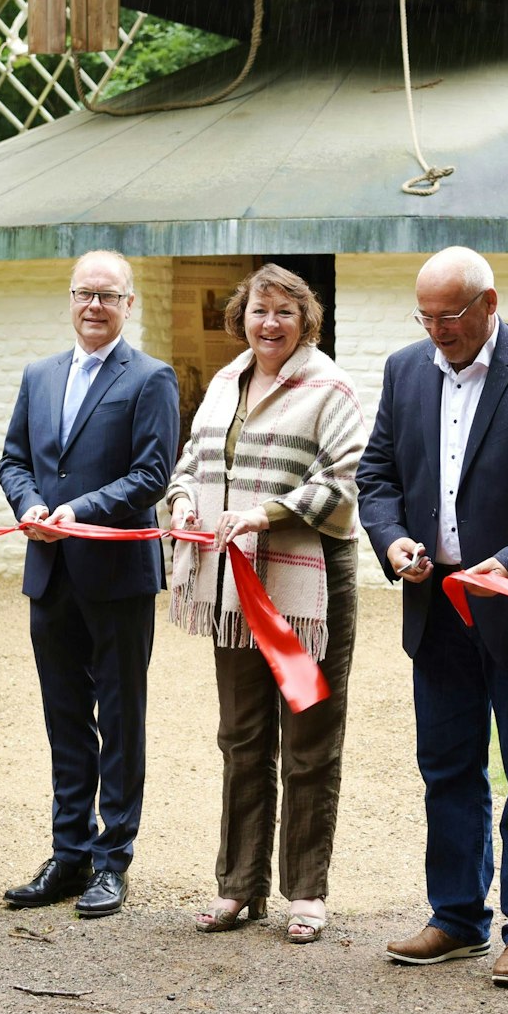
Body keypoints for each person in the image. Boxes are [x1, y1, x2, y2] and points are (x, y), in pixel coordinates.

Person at [357, 246, 508, 988]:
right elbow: (377, 475)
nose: (437, 331)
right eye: (424, 316)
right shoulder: (404, 369)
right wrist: (392, 538)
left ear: (489, 303)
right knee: (448, 766)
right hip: (438, 605)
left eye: (449, 315)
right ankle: (456, 915)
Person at [166, 263, 367, 945]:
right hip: (234, 581)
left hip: (307, 586)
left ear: (305, 318)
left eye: (284, 311)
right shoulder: (225, 382)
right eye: (258, 311)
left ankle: (306, 891)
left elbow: (342, 480)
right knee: (242, 735)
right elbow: (190, 462)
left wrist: (267, 513)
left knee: (309, 738)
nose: (270, 323)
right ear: (241, 317)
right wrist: (188, 500)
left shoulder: (329, 385)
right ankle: (238, 885)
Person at [0, 249, 180, 919]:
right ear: (70, 300)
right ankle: (68, 853)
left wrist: (78, 512)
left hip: (116, 577)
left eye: (108, 295)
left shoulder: (151, 378)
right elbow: (14, 459)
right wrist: (29, 506)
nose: (94, 305)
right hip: (50, 574)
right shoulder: (39, 375)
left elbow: (151, 474)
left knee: (121, 719)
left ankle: (113, 858)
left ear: (129, 305)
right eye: (84, 293)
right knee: (66, 721)